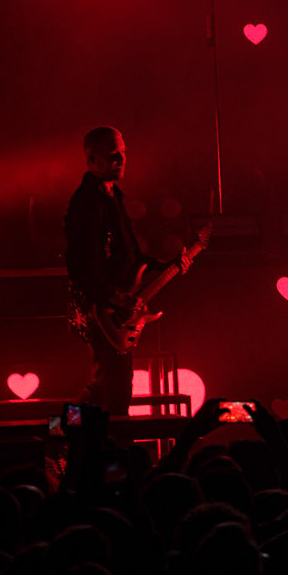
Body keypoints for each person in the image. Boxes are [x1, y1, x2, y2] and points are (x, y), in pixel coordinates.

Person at [64, 126, 194, 415]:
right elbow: (80, 264)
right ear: (92, 160)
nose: (121, 160)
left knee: (104, 383)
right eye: (113, 155)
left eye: (122, 153)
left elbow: (129, 254)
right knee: (116, 383)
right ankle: (86, 440)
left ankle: (64, 434)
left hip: (110, 302)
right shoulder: (86, 204)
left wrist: (165, 265)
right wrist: (113, 298)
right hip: (99, 306)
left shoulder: (112, 196)